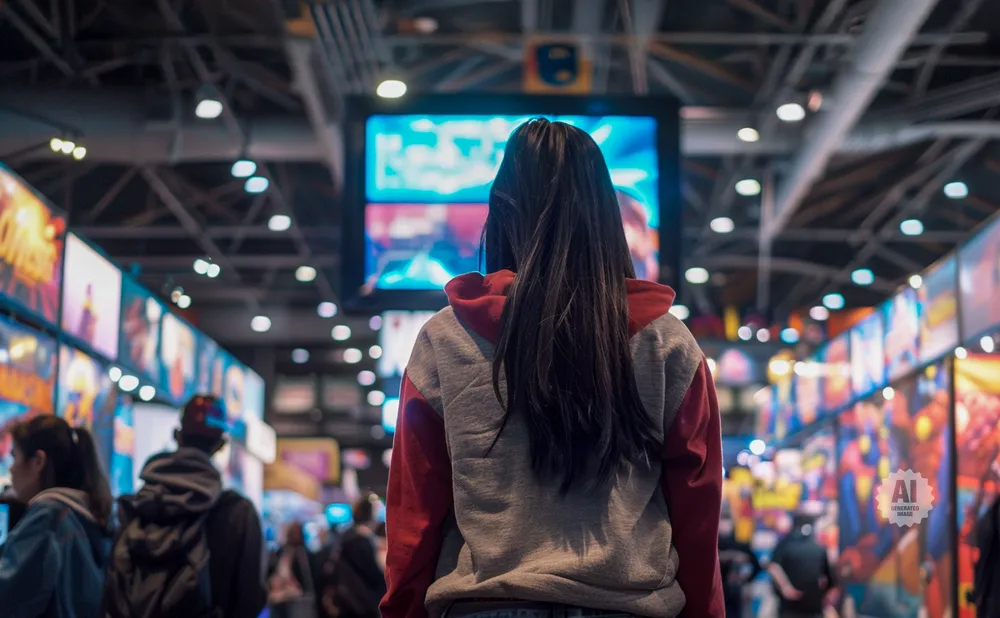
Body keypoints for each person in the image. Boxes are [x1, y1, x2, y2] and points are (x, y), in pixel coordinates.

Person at [381, 119, 724, 618]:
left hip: (488, 605)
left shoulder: (446, 337)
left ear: (501, 210)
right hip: (628, 607)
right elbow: (698, 509)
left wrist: (402, 610)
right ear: (608, 214)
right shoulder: (666, 341)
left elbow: (415, 509)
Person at [103, 395, 267, 618]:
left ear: (177, 436)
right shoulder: (238, 513)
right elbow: (251, 598)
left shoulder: (138, 504)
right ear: (221, 445)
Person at [0, 416, 114, 618]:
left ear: (38, 462)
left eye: (14, 457)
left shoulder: (47, 517)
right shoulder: (86, 515)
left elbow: (8, 597)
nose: (11, 468)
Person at [326, 492, 387, 618]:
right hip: (362, 603)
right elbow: (374, 574)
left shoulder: (347, 536)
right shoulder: (363, 540)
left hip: (348, 601)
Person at [768, 515, 835, 618]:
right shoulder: (819, 548)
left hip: (790, 607)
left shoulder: (784, 545)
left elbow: (773, 567)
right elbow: (829, 579)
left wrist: (786, 588)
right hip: (813, 605)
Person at [718, 514, 762, 618]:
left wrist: (746, 580)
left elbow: (757, 566)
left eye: (726, 522)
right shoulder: (713, 545)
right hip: (718, 589)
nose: (724, 526)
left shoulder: (741, 545)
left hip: (737, 590)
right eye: (722, 523)